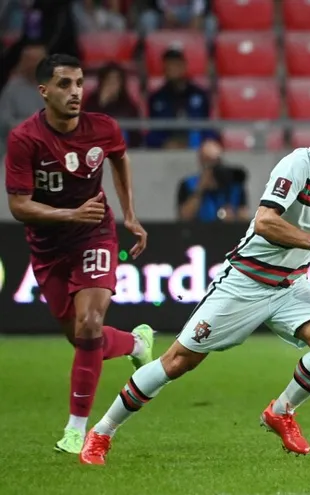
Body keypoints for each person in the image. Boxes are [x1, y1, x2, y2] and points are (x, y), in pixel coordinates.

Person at [79, 97, 310, 465]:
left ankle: (281, 411)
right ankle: (101, 433)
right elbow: (263, 221)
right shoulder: (297, 166)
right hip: (246, 280)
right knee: (178, 361)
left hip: (291, 284)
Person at [4, 53, 153, 455]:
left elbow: (120, 159)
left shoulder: (102, 128)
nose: (75, 92)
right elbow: (18, 205)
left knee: (89, 323)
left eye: (79, 83)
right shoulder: (24, 139)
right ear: (44, 91)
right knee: (83, 339)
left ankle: (76, 431)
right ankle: (137, 345)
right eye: (65, 84)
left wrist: (130, 216)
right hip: (48, 247)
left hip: (95, 233)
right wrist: (69, 213)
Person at [177, 138, 250, 222]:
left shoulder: (234, 184)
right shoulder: (189, 184)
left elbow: (244, 215)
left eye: (217, 161)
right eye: (209, 162)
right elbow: (184, 217)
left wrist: (235, 216)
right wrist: (200, 189)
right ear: (201, 161)